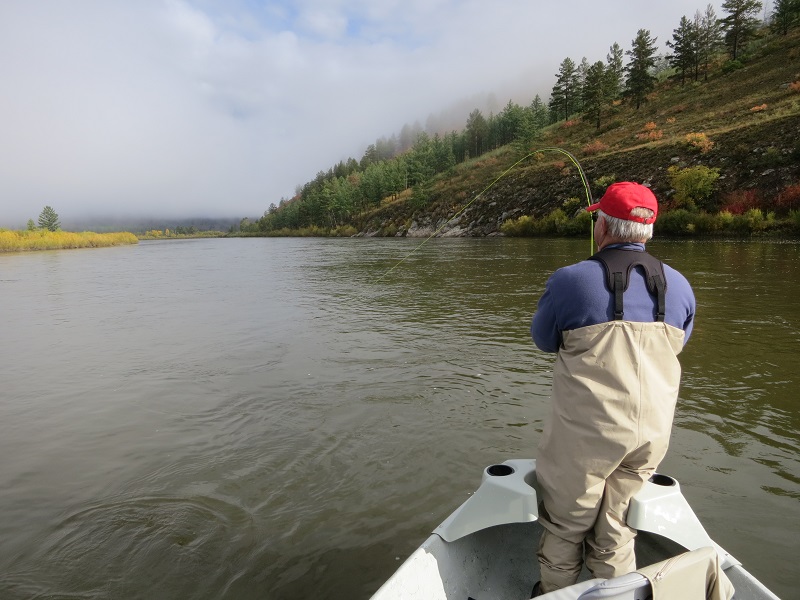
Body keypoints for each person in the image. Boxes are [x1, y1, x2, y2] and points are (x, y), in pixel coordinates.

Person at [530, 182, 696, 595]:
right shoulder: (681, 286)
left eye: (596, 218)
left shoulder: (569, 281)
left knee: (567, 524)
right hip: (652, 436)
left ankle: (555, 595)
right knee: (618, 527)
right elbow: (680, 345)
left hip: (588, 437)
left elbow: (543, 340)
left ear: (602, 225)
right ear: (649, 231)